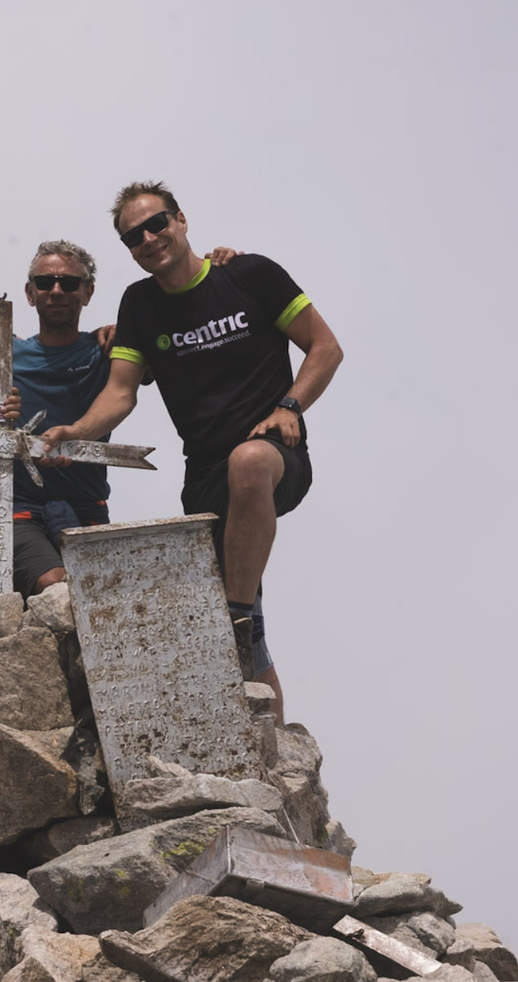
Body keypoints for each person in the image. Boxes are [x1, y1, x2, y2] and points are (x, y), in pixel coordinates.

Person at [41, 182, 344, 720]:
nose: (149, 239)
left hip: (273, 452)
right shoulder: (141, 304)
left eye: (157, 224)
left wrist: (290, 406)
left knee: (246, 474)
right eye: (133, 237)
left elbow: (326, 346)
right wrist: (79, 432)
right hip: (203, 476)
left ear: (181, 220)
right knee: (247, 627)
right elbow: (121, 391)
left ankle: (234, 621)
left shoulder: (249, 276)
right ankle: (270, 741)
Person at [9, 239, 115, 595]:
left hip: (88, 506)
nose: (56, 290)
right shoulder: (2, 353)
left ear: (88, 293)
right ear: (29, 292)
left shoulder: (108, 351)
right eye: (45, 282)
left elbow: (175, 319)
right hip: (21, 509)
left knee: (101, 601)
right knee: (55, 586)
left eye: (69, 283)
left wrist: (219, 263)